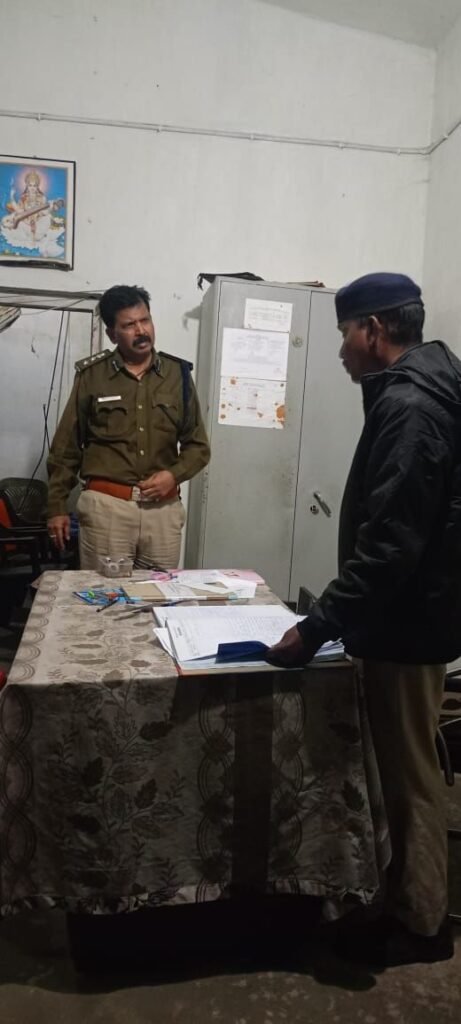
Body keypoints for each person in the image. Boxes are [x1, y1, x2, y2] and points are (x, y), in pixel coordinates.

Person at [267, 272, 461, 967]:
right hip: (407, 619)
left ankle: (422, 924)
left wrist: (315, 626)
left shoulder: (410, 406)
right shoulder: (420, 388)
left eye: (344, 334)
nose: (341, 350)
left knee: (410, 779)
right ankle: (402, 897)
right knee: (404, 769)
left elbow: (389, 547)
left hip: (407, 627)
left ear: (373, 331)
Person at [47, 284, 210, 570]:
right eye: (129, 325)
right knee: (103, 595)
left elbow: (198, 447)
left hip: (162, 512)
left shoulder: (178, 375)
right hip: (107, 510)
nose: (141, 331)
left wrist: (173, 476)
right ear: (112, 334)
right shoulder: (92, 376)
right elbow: (66, 449)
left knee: (159, 593)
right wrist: (57, 507)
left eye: (145, 320)